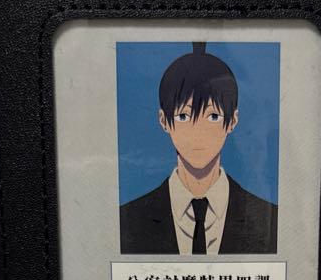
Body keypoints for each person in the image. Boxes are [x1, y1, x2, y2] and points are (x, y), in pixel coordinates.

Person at [119, 43, 278, 255]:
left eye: (213, 116)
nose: (198, 132)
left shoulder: (270, 220)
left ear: (233, 121)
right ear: (163, 121)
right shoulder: (129, 220)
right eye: (183, 116)